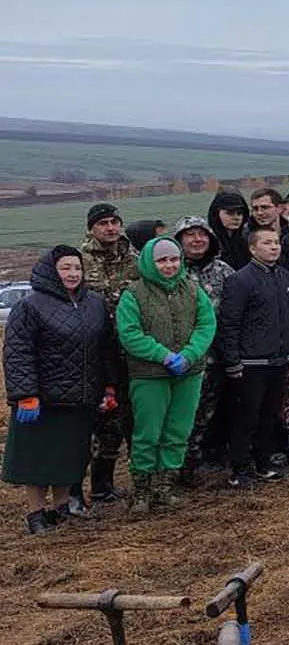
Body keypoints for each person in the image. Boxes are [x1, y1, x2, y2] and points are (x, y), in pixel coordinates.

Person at [4, 246, 109, 534]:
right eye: (66, 268)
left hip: (80, 398)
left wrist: (108, 387)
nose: (73, 273)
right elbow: (18, 352)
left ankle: (62, 508)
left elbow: (104, 350)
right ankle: (36, 514)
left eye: (77, 268)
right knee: (37, 460)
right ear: (51, 270)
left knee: (69, 455)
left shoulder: (95, 304)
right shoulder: (31, 305)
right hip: (41, 400)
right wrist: (25, 395)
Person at [115, 237, 216, 513]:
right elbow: (129, 333)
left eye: (174, 259)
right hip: (149, 375)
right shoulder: (133, 294)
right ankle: (141, 490)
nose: (169, 265)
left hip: (189, 373)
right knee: (148, 432)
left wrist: (190, 354)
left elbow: (206, 324)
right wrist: (163, 355)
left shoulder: (193, 291)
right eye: (162, 260)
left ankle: (164, 486)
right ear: (150, 262)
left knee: (178, 431)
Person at [217, 228, 289, 487]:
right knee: (247, 417)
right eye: (267, 243)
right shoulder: (240, 281)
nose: (274, 247)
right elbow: (229, 323)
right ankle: (240, 468)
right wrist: (232, 360)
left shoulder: (286, 278)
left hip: (278, 360)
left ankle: (264, 463)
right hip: (250, 363)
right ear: (253, 249)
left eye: (276, 242)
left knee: (269, 415)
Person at [79, 202, 138, 506]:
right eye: (103, 223)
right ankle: (99, 487)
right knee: (106, 423)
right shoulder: (80, 260)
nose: (111, 228)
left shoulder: (133, 257)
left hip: (132, 351)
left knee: (133, 419)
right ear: (92, 228)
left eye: (115, 221)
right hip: (98, 354)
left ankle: (140, 480)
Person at [171, 215, 235, 485]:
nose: (197, 240)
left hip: (218, 357)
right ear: (178, 241)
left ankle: (192, 466)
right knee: (180, 416)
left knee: (205, 415)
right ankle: (172, 469)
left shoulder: (224, 271)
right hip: (182, 359)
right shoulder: (171, 270)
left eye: (202, 235)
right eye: (190, 235)